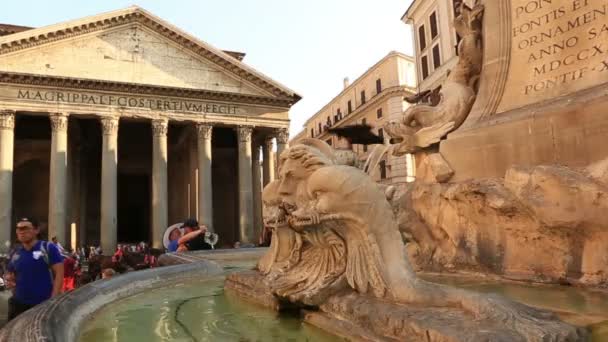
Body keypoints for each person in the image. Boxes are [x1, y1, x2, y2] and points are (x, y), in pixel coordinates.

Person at [5, 218, 64, 320]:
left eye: (25, 228)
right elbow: (10, 272)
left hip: (43, 304)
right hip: (19, 304)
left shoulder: (48, 248)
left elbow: (59, 273)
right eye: (18, 229)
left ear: (36, 230)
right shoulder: (15, 252)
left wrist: (53, 299)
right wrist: (10, 281)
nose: (21, 232)